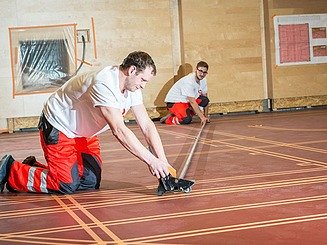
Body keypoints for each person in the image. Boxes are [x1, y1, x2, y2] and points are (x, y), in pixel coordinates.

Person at [0, 51, 173, 194]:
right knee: (65, 184)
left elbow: (147, 126)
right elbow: (119, 130)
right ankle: (11, 170)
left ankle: (31, 168)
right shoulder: (104, 83)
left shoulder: (132, 87)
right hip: (60, 126)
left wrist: (163, 162)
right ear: (132, 70)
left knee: (89, 182)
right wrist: (151, 161)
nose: (143, 86)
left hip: (85, 133)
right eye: (143, 80)